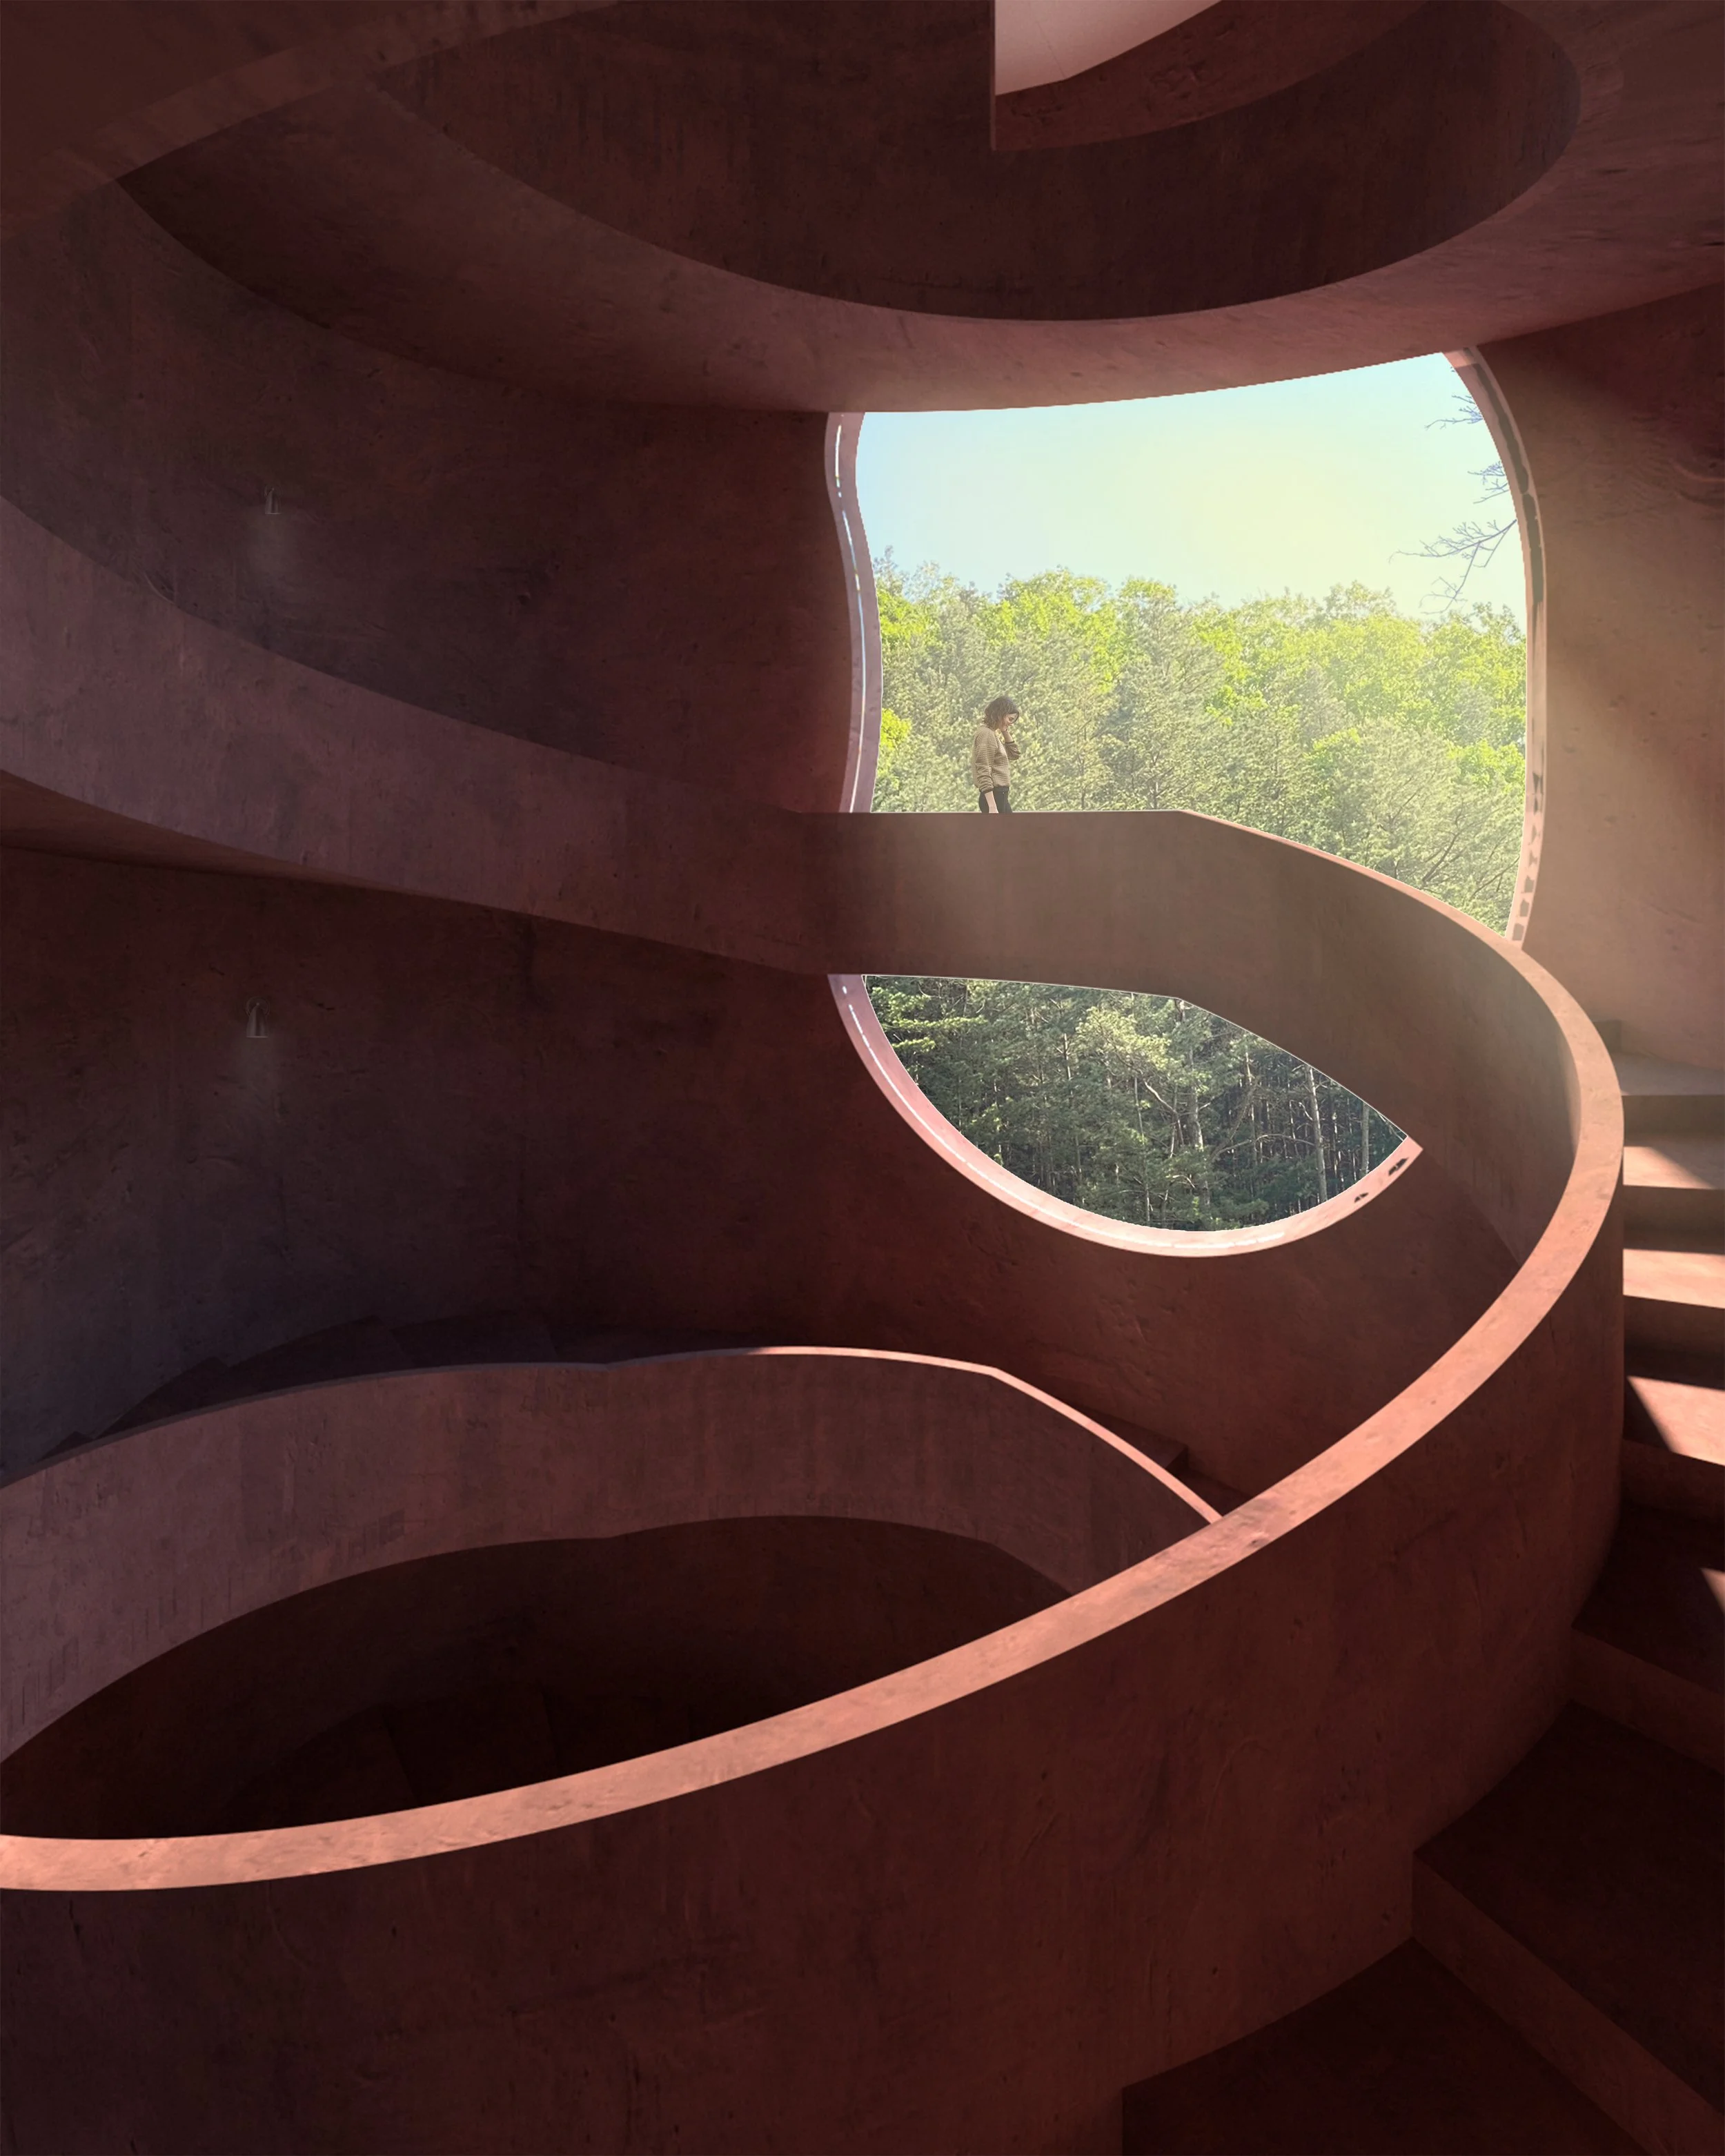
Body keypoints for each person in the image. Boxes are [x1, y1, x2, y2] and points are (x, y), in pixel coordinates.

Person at [972, 696, 1020, 813]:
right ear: (1000, 714)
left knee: (1011, 830)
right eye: (1010, 719)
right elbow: (983, 769)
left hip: (1001, 796)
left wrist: (1005, 731)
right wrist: (992, 806)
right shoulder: (986, 734)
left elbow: (1014, 754)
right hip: (994, 797)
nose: (1011, 723)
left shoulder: (992, 734)